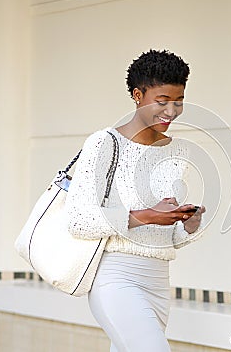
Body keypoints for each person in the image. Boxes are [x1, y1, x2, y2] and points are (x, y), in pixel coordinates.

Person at [65, 49, 206, 352]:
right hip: (115, 277)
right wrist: (149, 214)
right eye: (162, 101)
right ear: (138, 94)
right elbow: (78, 220)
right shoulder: (104, 143)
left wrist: (187, 226)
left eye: (178, 101)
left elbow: (165, 234)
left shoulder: (179, 152)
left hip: (158, 281)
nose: (171, 111)